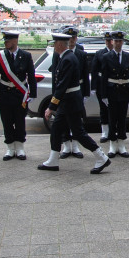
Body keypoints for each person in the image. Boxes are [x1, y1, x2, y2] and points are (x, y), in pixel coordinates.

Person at [38, 33, 110, 174]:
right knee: (57, 129)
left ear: (59, 44)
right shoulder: (65, 57)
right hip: (67, 102)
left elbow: (62, 85)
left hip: (70, 102)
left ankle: (102, 157)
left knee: (78, 133)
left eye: (54, 43)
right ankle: (53, 160)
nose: (53, 45)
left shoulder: (68, 59)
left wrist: (51, 106)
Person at [0, 31, 37, 160]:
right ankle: (10, 148)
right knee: (7, 121)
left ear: (15, 41)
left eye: (8, 41)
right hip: (5, 92)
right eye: (4, 41)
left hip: (20, 94)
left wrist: (32, 93)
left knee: (20, 121)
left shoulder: (26, 56)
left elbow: (31, 76)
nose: (5, 43)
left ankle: (20, 147)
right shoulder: (0, 56)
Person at [101, 30, 129, 158]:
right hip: (112, 91)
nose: (118, 43)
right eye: (116, 41)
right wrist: (103, 95)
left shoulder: (128, 56)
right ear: (112, 42)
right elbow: (104, 77)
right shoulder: (106, 57)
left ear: (123, 42)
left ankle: (121, 144)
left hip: (124, 91)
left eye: (120, 41)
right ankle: (112, 144)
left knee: (122, 119)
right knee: (112, 118)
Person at [59, 26, 89, 159]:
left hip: (78, 90)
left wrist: (86, 93)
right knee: (64, 118)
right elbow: (56, 76)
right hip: (64, 92)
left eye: (74, 37)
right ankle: (66, 146)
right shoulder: (59, 53)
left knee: (77, 119)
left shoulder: (82, 54)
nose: (72, 40)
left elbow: (85, 74)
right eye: (69, 37)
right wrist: (56, 94)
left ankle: (76, 146)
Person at [91, 31, 113, 142]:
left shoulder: (117, 54)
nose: (109, 42)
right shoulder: (99, 53)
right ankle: (105, 133)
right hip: (101, 85)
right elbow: (94, 71)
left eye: (110, 40)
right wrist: (93, 87)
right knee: (103, 109)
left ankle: (113, 131)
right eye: (107, 40)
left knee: (113, 110)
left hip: (113, 85)